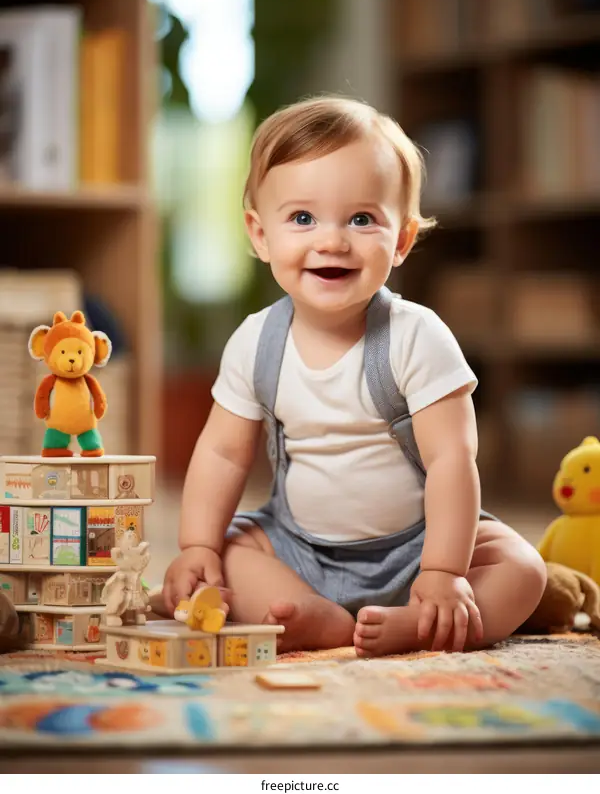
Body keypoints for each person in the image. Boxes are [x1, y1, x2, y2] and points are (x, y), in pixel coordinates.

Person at [162, 95, 546, 656]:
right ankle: (318, 618)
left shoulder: (416, 336)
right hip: (299, 548)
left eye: (362, 219)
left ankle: (423, 620)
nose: (332, 240)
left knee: (522, 570)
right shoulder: (256, 342)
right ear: (260, 234)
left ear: (403, 240)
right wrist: (196, 544)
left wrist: (442, 570)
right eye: (301, 218)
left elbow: (451, 461)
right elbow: (222, 454)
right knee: (230, 554)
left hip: (420, 543)